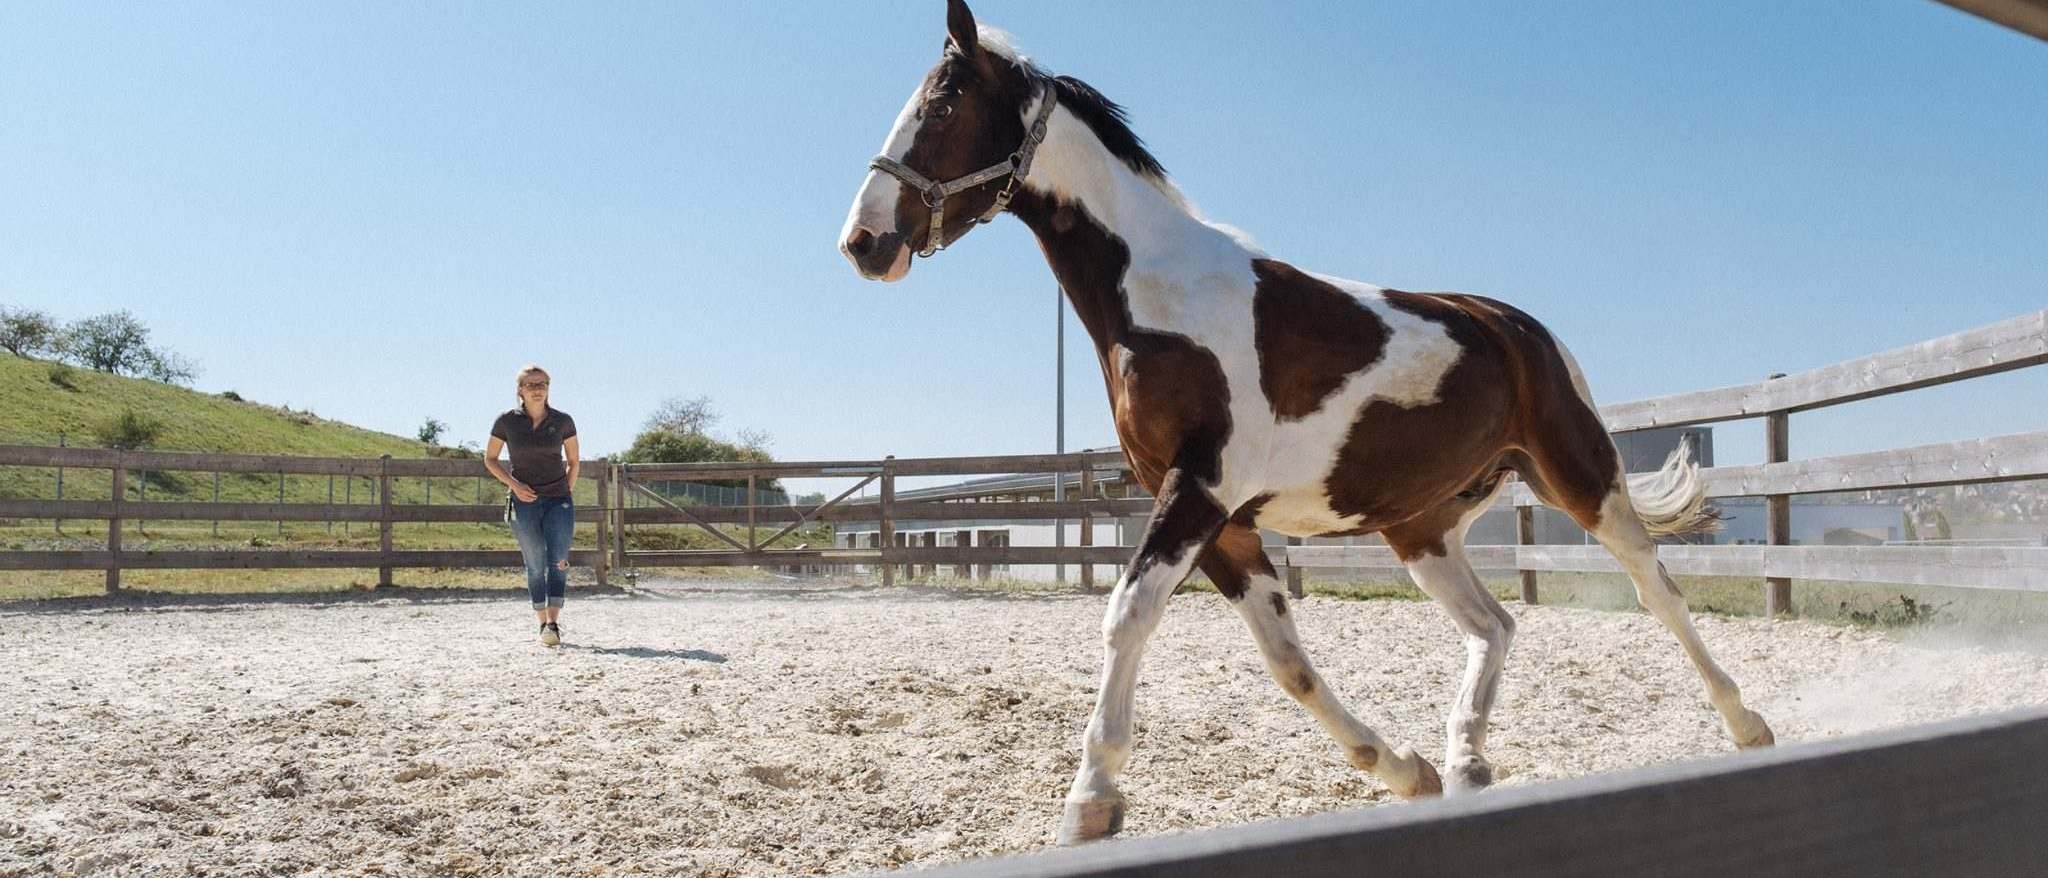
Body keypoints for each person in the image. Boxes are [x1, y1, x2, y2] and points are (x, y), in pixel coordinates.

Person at [484, 364, 579, 647]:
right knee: (535, 563)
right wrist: (515, 486)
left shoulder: (563, 421)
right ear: (520, 391)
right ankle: (541, 624)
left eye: (543, 384)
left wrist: (565, 492)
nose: (538, 389)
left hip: (558, 501)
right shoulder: (506, 422)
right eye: (531, 384)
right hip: (523, 502)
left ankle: (554, 622)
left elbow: (574, 462)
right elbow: (490, 459)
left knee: (559, 560)